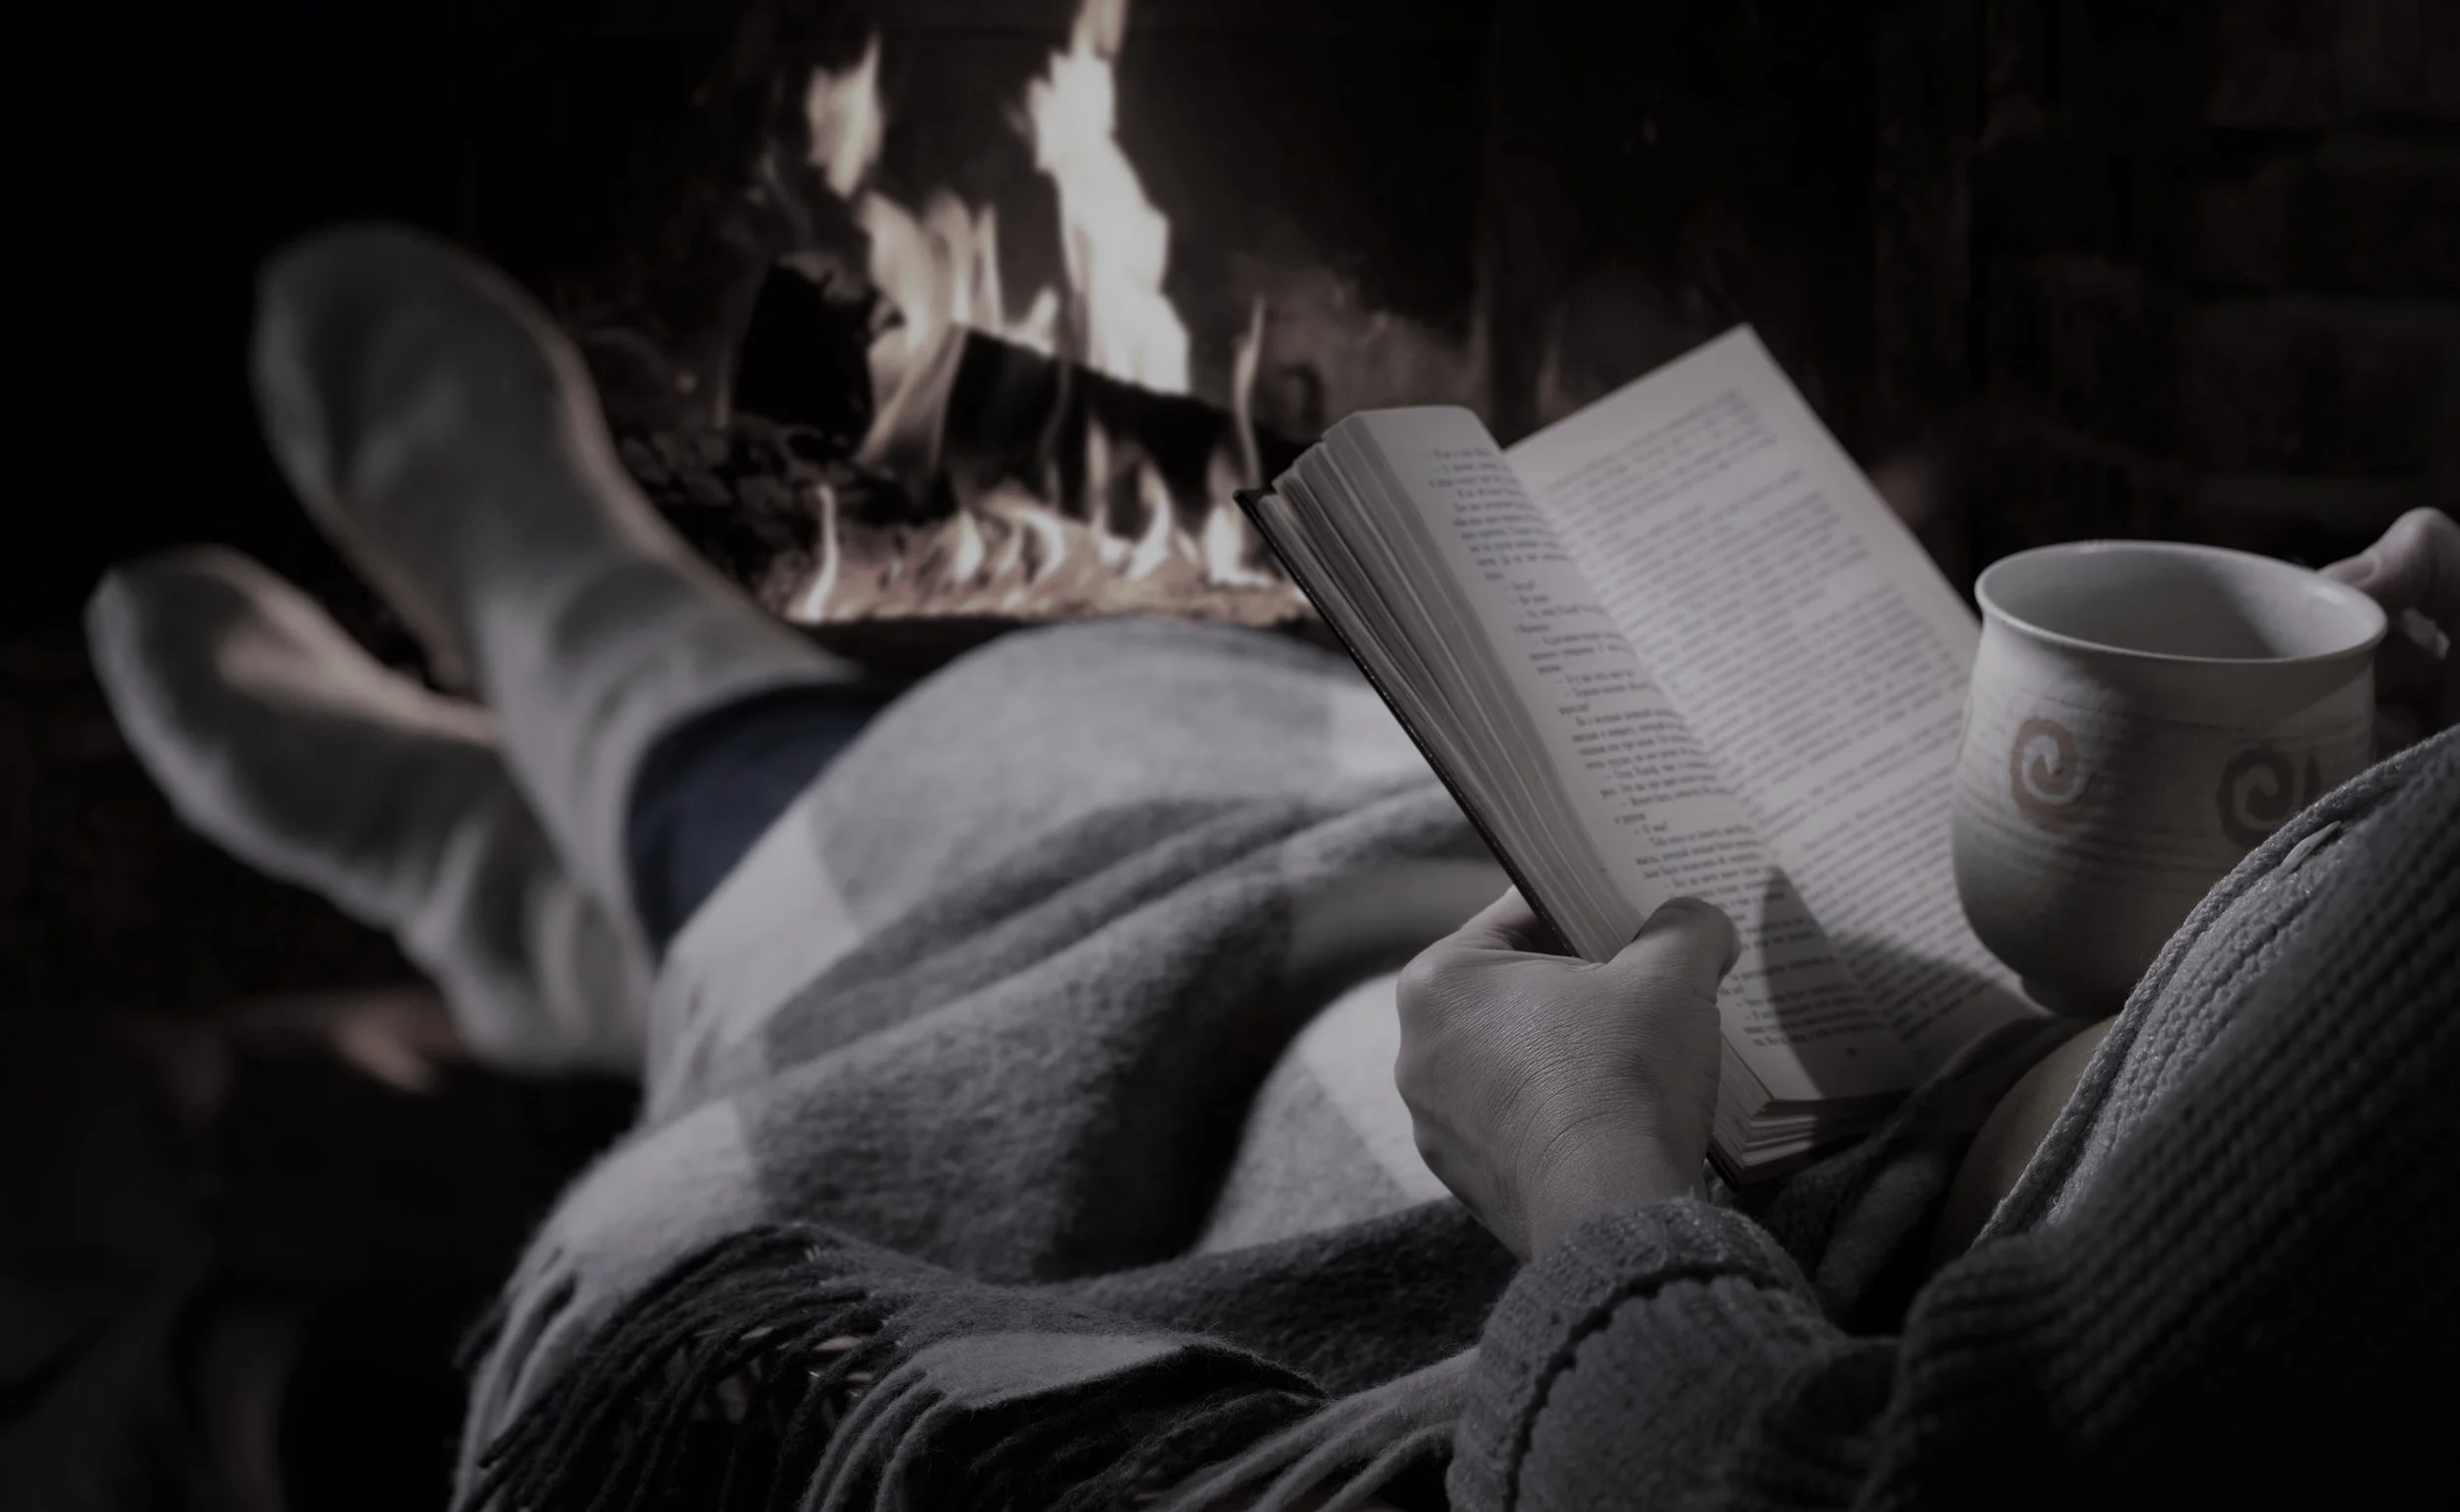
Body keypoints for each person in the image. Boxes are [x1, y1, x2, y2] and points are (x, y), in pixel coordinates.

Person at [88, 226, 2456, 1511]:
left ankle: (619, 700)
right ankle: (592, 842)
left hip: (1721, 1219)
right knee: (1293, 783)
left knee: (1117, 832)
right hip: (1977, 1071)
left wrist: (1591, 1175)